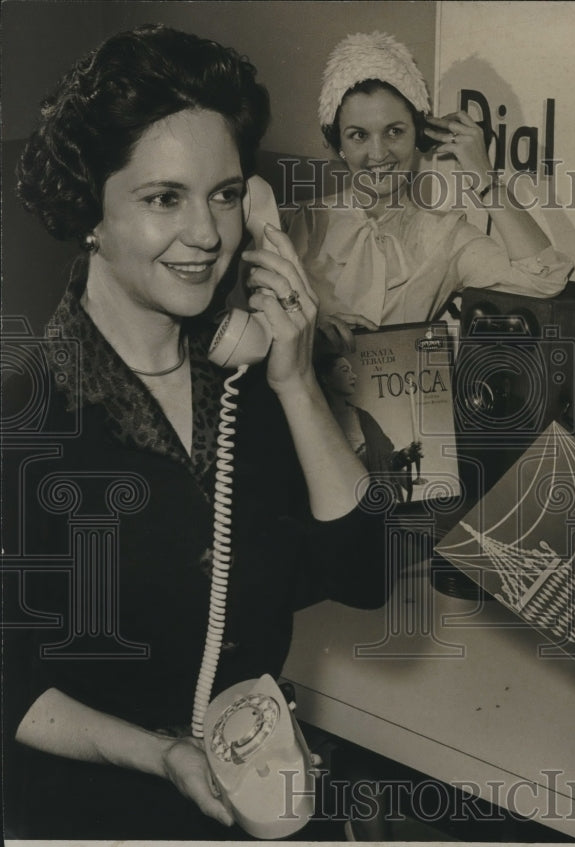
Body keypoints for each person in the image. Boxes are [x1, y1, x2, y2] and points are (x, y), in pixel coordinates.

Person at [4, 25, 392, 840]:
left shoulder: (250, 385)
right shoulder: (23, 420)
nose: (210, 234)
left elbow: (364, 570)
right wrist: (162, 756)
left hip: (254, 789)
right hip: (98, 809)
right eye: (162, 198)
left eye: (223, 194)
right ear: (91, 214)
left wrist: (292, 378)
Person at [286, 31, 572, 339]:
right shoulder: (297, 223)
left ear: (418, 135)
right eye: (359, 135)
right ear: (339, 144)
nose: (379, 153)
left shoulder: (445, 238)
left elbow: (545, 278)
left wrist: (483, 175)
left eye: (394, 131)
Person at [316, 349, 422, 503]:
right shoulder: (316, 421)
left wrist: (404, 456)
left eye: (352, 370)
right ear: (325, 378)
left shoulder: (363, 418)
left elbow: (386, 462)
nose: (354, 375)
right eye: (345, 370)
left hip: (375, 500)